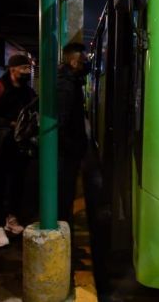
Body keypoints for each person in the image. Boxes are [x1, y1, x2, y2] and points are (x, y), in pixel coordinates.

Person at [0, 53, 36, 247]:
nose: (28, 71)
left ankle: (11, 219)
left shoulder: (28, 92)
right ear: (13, 69)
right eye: (24, 68)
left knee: (17, 185)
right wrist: (9, 123)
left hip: (19, 147)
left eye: (29, 68)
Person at [57, 43, 90, 226]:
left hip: (69, 150)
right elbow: (61, 122)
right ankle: (62, 231)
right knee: (64, 194)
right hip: (66, 152)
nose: (86, 64)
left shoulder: (71, 81)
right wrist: (73, 147)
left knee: (66, 194)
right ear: (73, 61)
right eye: (84, 60)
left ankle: (64, 230)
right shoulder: (66, 85)